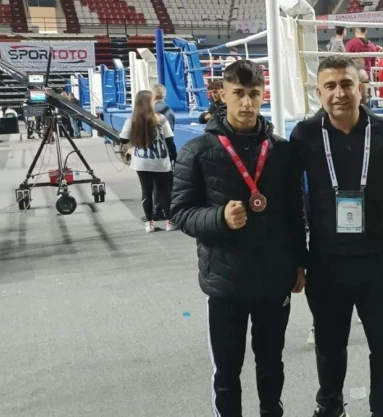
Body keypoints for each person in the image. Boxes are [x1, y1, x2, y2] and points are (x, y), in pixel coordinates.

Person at [170, 60, 307, 417]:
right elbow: (180, 212)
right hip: (225, 282)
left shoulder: (281, 151)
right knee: (227, 372)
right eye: (239, 94)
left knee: (271, 364)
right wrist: (219, 218)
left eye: (254, 94)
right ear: (222, 95)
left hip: (274, 279)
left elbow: (295, 213)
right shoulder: (197, 150)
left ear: (263, 95)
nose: (247, 103)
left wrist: (300, 263)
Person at [290, 55, 383, 417]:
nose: (339, 93)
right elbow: (292, 198)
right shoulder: (305, 135)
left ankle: (382, 410)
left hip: (378, 259)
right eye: (330, 86)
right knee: (329, 345)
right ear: (318, 92)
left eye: (346, 84)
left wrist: (375, 196)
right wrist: (297, 259)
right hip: (326, 261)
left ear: (361, 88)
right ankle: (330, 407)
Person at [120, 90, 177, 232]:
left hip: (141, 161)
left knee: (146, 191)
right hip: (161, 161)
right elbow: (170, 141)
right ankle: (169, 222)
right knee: (165, 191)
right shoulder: (161, 118)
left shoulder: (132, 120)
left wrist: (135, 143)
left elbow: (123, 139)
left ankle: (149, 223)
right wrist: (173, 157)